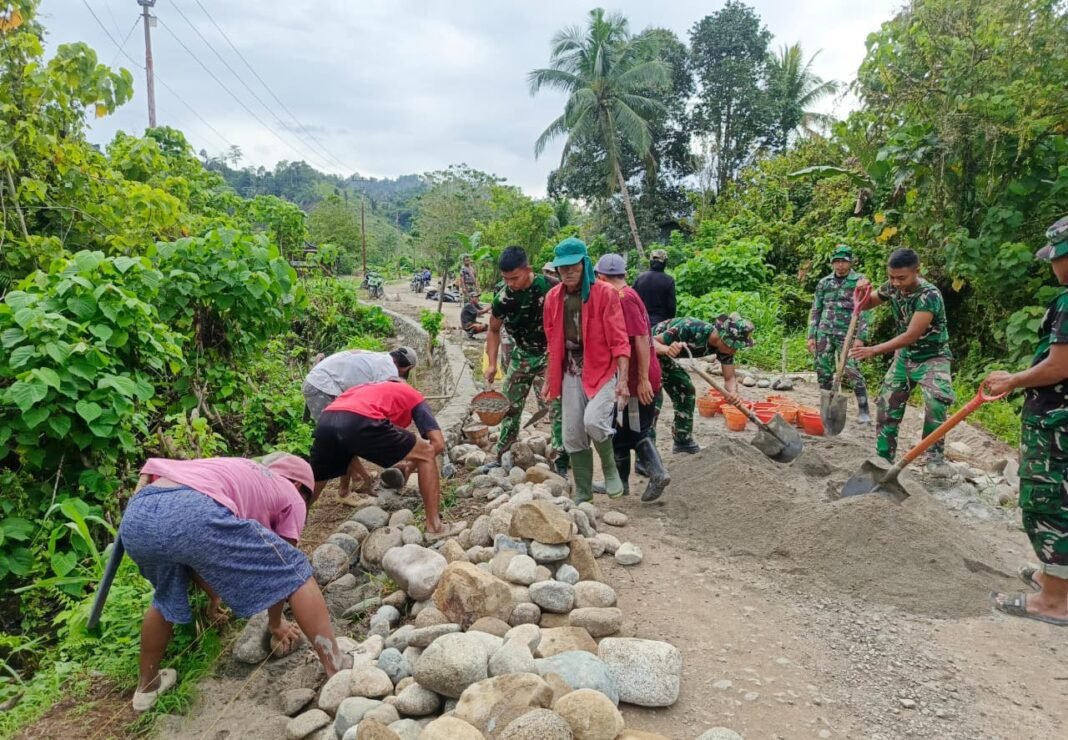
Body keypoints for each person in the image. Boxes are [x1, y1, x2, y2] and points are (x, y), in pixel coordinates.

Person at [119, 453, 351, 711]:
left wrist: (214, 595)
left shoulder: (238, 470)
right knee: (297, 571)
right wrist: (275, 623)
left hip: (137, 515)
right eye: (309, 498)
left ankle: (147, 688)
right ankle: (336, 665)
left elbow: (195, 552)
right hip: (191, 509)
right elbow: (282, 575)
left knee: (165, 598)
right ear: (299, 486)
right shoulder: (291, 494)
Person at [986, 216, 1068, 626]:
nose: (1052, 265)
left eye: (1056, 256)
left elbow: (1058, 366)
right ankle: (1054, 579)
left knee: (1050, 500)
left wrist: (1015, 380)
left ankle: (1053, 601)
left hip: (1058, 423)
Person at [542, 238, 630, 503]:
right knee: (572, 432)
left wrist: (622, 381)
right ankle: (583, 489)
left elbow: (620, 341)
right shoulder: (552, 298)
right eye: (562, 267)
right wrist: (549, 379)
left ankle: (610, 467)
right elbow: (551, 343)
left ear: (585, 263)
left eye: (573, 265)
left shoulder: (605, 294)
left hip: (601, 368)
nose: (567, 272)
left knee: (593, 421)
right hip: (569, 370)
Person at [851, 248, 954, 465]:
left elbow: (910, 335)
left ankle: (934, 459)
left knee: (936, 404)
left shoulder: (929, 296)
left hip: (932, 358)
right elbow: (868, 303)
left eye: (901, 278)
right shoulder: (893, 287)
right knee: (887, 403)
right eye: (891, 277)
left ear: (917, 271)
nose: (896, 283)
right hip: (904, 357)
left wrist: (873, 350)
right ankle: (883, 458)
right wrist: (862, 291)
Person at [309, 379, 449, 533]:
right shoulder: (414, 395)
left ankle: (283, 538)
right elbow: (438, 443)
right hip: (359, 419)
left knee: (314, 484)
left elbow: (351, 435)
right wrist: (410, 466)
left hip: (326, 420)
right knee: (426, 453)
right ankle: (435, 527)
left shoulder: (363, 388)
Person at [594, 254, 670, 502]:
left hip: (639, 378)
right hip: (637, 376)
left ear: (602, 277)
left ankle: (657, 473)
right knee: (620, 430)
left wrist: (642, 379)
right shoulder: (627, 295)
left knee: (637, 430)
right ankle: (620, 482)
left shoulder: (624, 298)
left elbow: (639, 338)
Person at [484, 246, 565, 470]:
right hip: (522, 355)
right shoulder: (503, 297)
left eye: (515, 278)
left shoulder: (551, 288)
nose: (510, 283)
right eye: (505, 278)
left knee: (556, 407)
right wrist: (491, 364)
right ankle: (502, 455)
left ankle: (561, 461)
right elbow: (493, 330)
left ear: (528, 269)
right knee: (509, 407)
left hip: (550, 354)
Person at [651, 315, 755, 454]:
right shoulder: (689, 328)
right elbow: (649, 341)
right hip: (648, 352)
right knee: (653, 399)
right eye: (733, 346)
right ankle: (646, 453)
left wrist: (733, 393)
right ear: (723, 338)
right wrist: (666, 349)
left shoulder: (725, 348)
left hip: (667, 358)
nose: (734, 350)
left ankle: (683, 441)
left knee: (685, 390)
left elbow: (729, 378)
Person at [808, 244, 872, 424]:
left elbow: (866, 311)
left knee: (852, 370)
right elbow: (816, 309)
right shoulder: (824, 283)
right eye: (837, 261)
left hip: (847, 334)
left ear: (851, 262)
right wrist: (811, 335)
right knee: (823, 369)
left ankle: (864, 409)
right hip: (825, 332)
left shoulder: (859, 282)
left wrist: (861, 337)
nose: (840, 265)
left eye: (844, 261)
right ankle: (827, 407)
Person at [302, 347, 418, 421]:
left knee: (339, 430)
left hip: (320, 383)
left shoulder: (379, 357)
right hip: (321, 387)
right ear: (408, 368)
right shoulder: (389, 371)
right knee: (333, 432)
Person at [633, 248, 677, 327]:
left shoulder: (639, 278)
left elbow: (632, 301)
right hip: (660, 324)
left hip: (641, 323)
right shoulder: (669, 280)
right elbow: (671, 307)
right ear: (664, 263)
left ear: (650, 262)